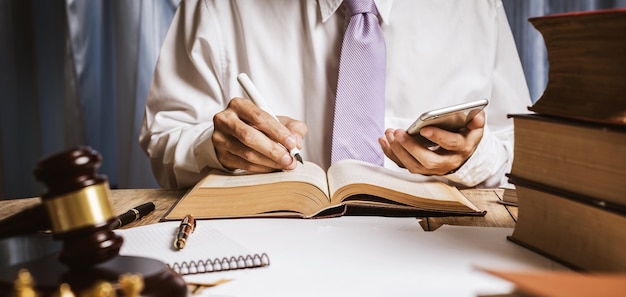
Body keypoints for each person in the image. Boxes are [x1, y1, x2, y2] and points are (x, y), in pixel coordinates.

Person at [140, 0, 531, 189]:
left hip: (436, 250)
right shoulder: (219, 4)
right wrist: (217, 148)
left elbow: (527, 153)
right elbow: (164, 138)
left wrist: (472, 159)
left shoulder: (476, 7)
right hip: (273, 257)